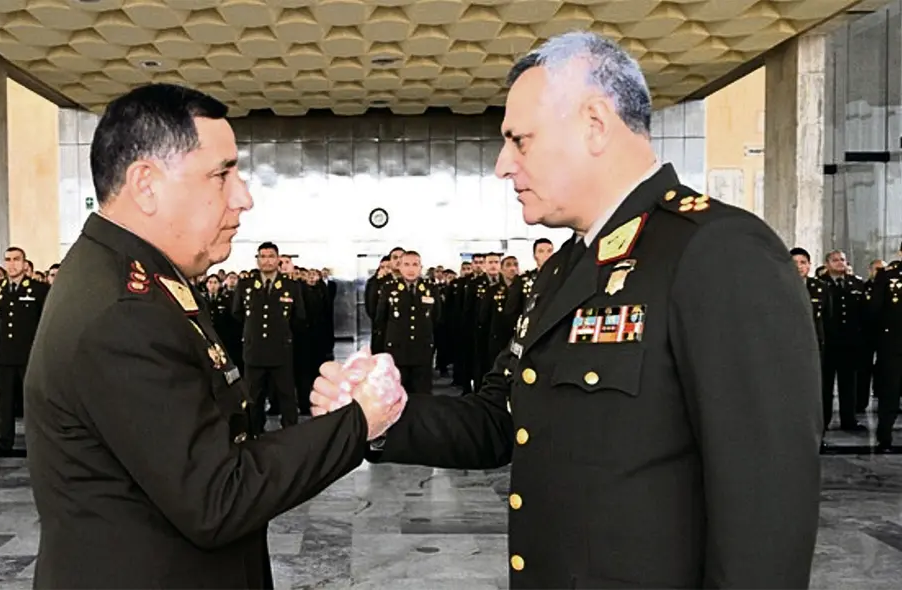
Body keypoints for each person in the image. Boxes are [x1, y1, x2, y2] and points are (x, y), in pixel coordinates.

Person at [312, 32, 822, 589]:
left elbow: (765, 508)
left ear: (595, 125)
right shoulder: (566, 269)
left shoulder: (717, 251)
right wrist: (380, 416)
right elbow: (501, 418)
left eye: (520, 140)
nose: (503, 165)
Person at [23, 83, 401, 589]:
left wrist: (333, 424)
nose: (243, 197)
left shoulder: (140, 278)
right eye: (222, 174)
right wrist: (357, 422)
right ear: (146, 184)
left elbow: (209, 446)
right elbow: (216, 497)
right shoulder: (124, 311)